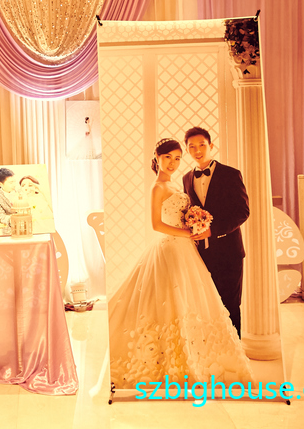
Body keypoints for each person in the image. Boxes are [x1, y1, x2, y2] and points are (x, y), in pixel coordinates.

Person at [108, 138, 252, 389]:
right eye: (168, 157)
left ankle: (201, 352)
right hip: (172, 248)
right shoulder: (157, 188)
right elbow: (156, 224)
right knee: (171, 302)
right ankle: (170, 357)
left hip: (189, 249)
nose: (173, 163)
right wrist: (189, 232)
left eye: (177, 158)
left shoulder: (178, 182)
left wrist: (197, 224)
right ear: (157, 158)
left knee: (194, 300)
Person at [183, 126, 249, 337]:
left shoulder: (231, 174)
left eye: (202, 145)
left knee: (230, 304)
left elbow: (242, 212)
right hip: (200, 255)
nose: (197, 150)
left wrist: (214, 230)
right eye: (191, 147)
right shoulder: (186, 178)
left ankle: (236, 350)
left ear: (211, 146)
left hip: (229, 253)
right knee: (205, 305)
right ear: (187, 150)